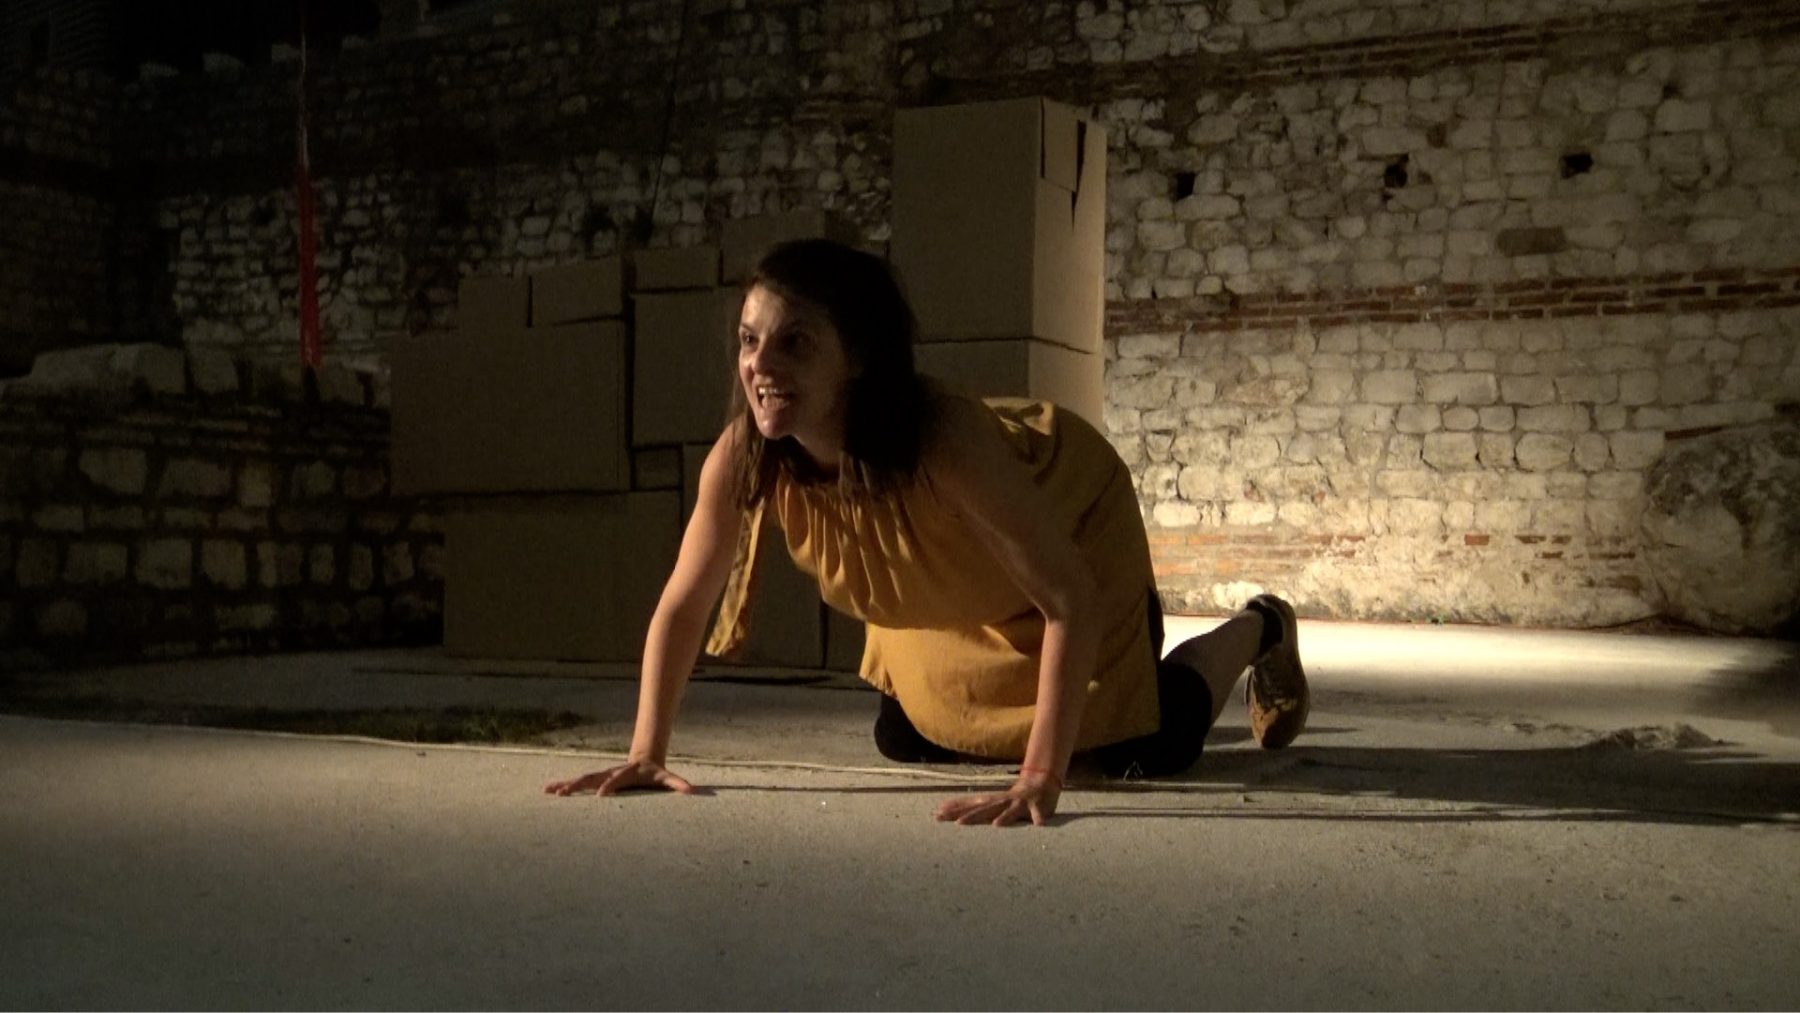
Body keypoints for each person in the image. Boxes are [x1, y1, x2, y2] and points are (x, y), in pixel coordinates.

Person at [545, 239, 1308, 826]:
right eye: (749, 340)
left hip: (1070, 533)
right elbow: (686, 601)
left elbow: (1070, 595)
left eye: (794, 342)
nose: (760, 366)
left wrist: (1040, 778)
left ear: (858, 357)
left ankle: (1261, 625)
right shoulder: (745, 451)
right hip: (958, 583)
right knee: (907, 736)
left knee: (1145, 747)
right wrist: (646, 752)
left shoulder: (945, 440)